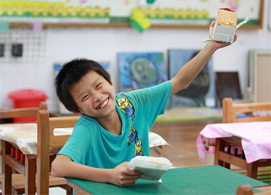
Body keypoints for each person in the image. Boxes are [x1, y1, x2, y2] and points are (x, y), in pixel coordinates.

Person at [51, 20, 237, 187]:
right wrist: (110, 176)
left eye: (99, 86)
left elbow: (181, 81)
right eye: (85, 97)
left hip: (142, 189)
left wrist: (212, 46)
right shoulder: (87, 127)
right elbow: (59, 167)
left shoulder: (132, 103)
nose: (98, 96)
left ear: (110, 82)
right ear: (76, 109)